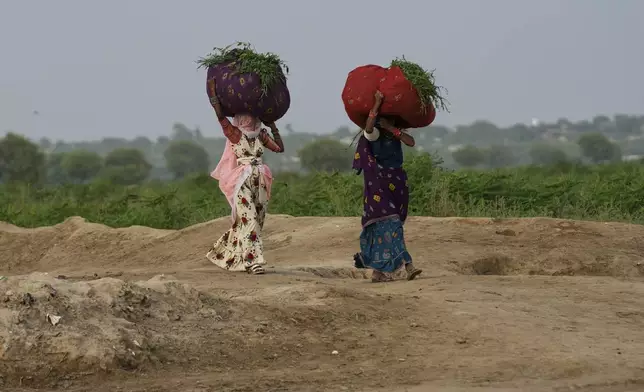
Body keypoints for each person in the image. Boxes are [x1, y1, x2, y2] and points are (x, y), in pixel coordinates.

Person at [206, 79, 285, 275]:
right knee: (248, 218)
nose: (251, 121)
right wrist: (213, 94)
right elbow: (220, 116)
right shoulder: (234, 134)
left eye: (253, 118)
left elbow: (280, 148)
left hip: (260, 181)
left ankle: (228, 253)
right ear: (241, 120)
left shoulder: (261, 135)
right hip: (242, 180)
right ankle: (253, 262)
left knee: (256, 221)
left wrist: (272, 125)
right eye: (247, 118)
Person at [352, 91, 422, 283]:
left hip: (397, 183)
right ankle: (409, 265)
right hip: (378, 185)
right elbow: (368, 127)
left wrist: (392, 128)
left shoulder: (396, 134)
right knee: (392, 224)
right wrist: (377, 103)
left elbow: (411, 142)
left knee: (386, 225)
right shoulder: (373, 135)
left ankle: (378, 273)